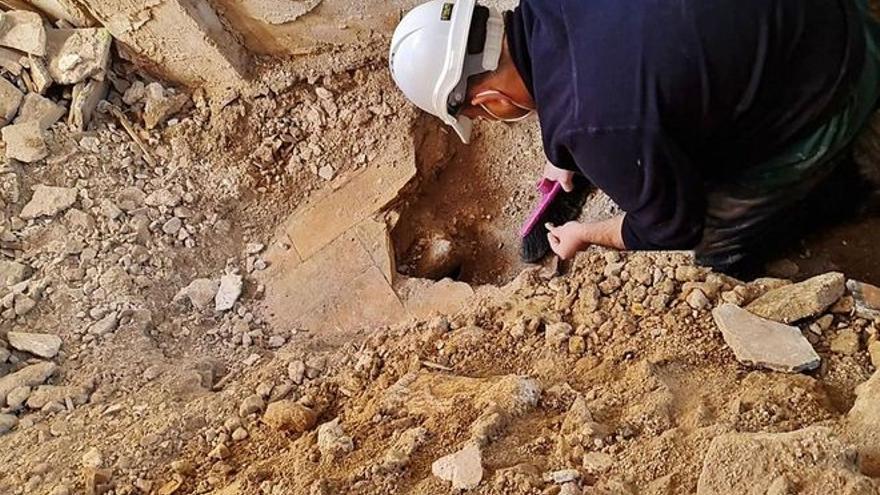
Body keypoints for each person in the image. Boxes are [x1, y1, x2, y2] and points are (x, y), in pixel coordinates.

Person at [388, 0, 880, 275]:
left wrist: (586, 233)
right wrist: (565, 148)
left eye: (485, 116)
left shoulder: (596, 125)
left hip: (837, 76)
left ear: (490, 101)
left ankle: (853, 179)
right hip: (814, 15)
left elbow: (673, 228)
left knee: (719, 250)